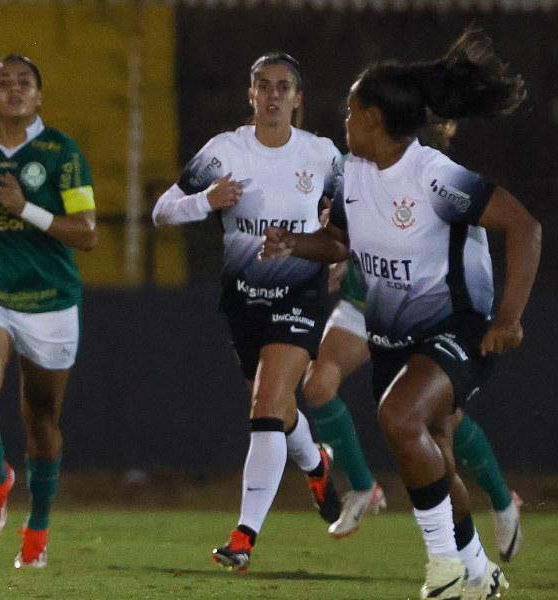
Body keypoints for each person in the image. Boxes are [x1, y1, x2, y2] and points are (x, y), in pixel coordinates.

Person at [261, 29, 538, 600]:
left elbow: (525, 227)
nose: (344, 121)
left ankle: (443, 568)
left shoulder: (434, 176)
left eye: (351, 111)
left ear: (375, 120)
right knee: (432, 445)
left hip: (458, 325)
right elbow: (339, 244)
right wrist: (295, 243)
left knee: (400, 417)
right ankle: (480, 574)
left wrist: (508, 316)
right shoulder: (352, 173)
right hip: (391, 336)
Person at [151, 52, 343, 573]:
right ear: (251, 94)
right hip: (243, 302)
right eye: (264, 86)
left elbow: (350, 221)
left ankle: (243, 536)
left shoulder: (323, 155)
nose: (274, 95)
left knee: (265, 404)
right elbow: (162, 210)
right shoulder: (224, 151)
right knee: (278, 412)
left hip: (300, 298)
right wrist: (206, 200)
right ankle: (317, 462)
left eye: (284, 87)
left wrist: (331, 248)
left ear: (299, 99)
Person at [0, 55, 98, 569]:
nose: (13, 89)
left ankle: (38, 524)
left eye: (24, 82)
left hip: (50, 300)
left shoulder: (61, 153)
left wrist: (25, 208)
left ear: (38, 95)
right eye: (3, 82)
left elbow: (88, 232)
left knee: (42, 420)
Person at [305, 259, 524, 564]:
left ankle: (501, 503)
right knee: (317, 386)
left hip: (417, 308)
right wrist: (335, 253)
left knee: (435, 417)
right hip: (360, 305)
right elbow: (338, 227)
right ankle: (362, 487)